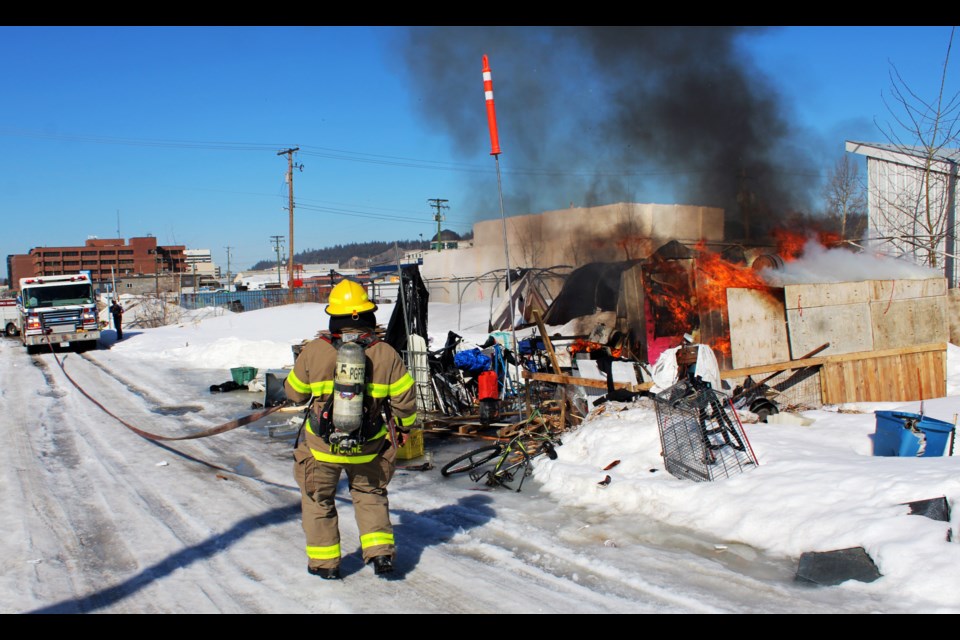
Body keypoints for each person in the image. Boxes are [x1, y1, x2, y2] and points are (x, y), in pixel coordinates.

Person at [284, 279, 417, 580]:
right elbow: (405, 402)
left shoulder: (315, 351)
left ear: (334, 316)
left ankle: (325, 564)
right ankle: (381, 554)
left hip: (322, 449)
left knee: (318, 500)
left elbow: (294, 395)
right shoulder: (386, 353)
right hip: (369, 447)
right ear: (368, 315)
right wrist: (406, 427)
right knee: (370, 495)